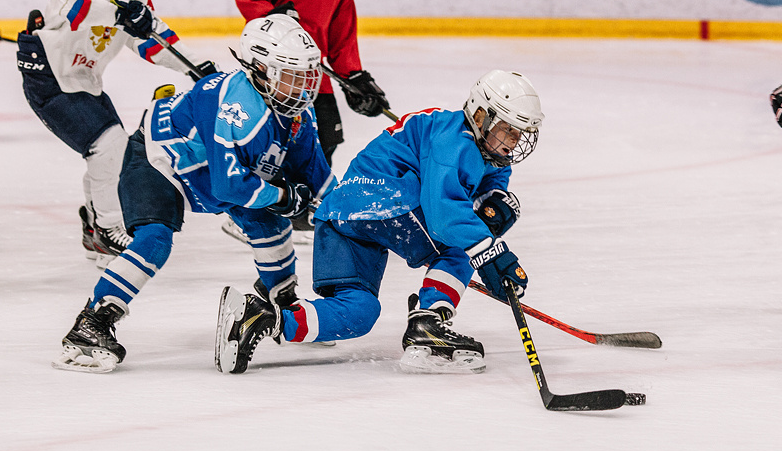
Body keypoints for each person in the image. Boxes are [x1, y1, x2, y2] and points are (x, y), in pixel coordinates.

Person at [52, 13, 337, 374]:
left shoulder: (295, 114)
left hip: (212, 167)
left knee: (270, 224)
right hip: (160, 160)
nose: (303, 88)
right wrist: (283, 198)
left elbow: (319, 180)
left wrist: (350, 212)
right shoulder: (236, 110)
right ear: (260, 70)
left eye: (306, 76)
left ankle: (280, 301)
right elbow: (230, 186)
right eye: (292, 76)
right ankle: (92, 323)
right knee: (154, 239)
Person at [217, 70, 544, 375]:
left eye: (519, 133)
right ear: (480, 116)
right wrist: (492, 253)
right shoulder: (454, 139)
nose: (513, 141)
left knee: (358, 311)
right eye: (507, 129)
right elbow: (445, 216)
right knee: (463, 243)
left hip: (340, 214)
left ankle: (261, 318)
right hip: (386, 201)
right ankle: (429, 322)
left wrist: (495, 205)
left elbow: (488, 187)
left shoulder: (491, 154)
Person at [16, 0, 216, 267]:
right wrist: (121, 14)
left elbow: (154, 43)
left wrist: (196, 67)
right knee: (108, 147)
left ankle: (94, 228)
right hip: (49, 77)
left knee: (115, 153)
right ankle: (109, 229)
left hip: (84, 81)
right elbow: (77, 10)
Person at [234, 0, 390, 165]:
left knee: (327, 140)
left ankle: (314, 191)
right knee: (273, 140)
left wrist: (355, 77)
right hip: (277, 72)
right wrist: (273, 20)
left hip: (316, 75)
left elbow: (342, 39)